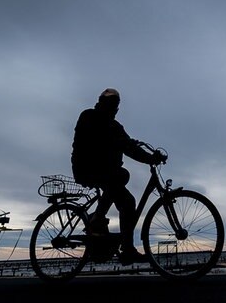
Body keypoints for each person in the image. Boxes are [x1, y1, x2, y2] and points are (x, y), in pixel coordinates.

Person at [71, 88, 165, 264]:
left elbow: (128, 145)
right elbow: (119, 143)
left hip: (106, 172)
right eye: (111, 102)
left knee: (128, 202)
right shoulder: (90, 116)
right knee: (121, 175)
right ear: (102, 102)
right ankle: (98, 218)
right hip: (87, 168)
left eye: (116, 104)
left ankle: (127, 249)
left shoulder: (114, 126)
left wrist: (150, 157)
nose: (114, 107)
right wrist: (142, 154)